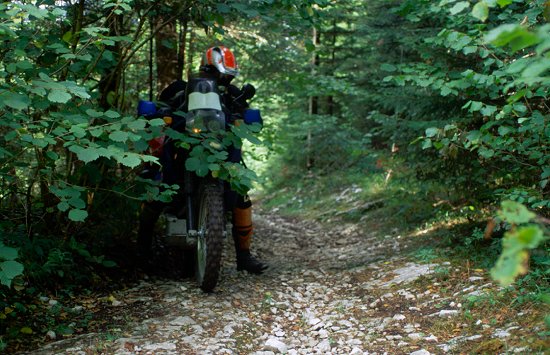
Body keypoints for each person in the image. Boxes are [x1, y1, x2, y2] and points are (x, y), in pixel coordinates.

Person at [137, 46, 267, 274]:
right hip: (185, 147)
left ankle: (244, 256)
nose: (223, 79)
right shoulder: (180, 89)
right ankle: (140, 252)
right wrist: (160, 115)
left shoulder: (233, 94)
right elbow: (160, 107)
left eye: (226, 75)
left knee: (241, 194)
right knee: (156, 188)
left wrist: (244, 118)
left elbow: (248, 117)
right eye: (220, 74)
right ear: (206, 69)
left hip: (221, 152)